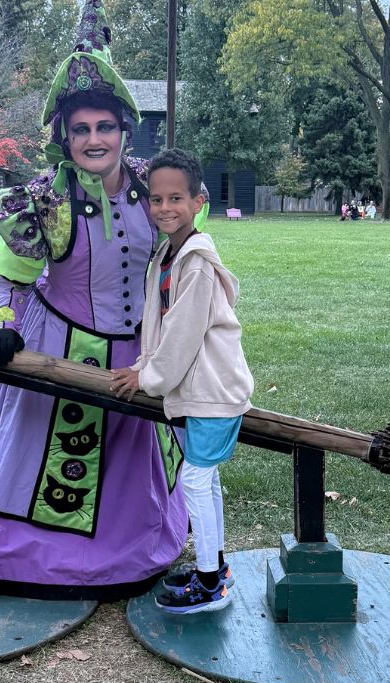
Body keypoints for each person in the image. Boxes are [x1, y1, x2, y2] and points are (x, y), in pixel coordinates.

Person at [0, 0, 189, 600]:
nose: (94, 139)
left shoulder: (152, 189)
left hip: (136, 357)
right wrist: (3, 323)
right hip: (57, 348)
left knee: (125, 473)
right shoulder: (44, 199)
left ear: (123, 131)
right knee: (55, 464)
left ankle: (131, 551)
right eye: (81, 129)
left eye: (105, 127)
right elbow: (10, 279)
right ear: (64, 136)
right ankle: (34, 558)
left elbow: (183, 262)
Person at [110, 148, 252, 614]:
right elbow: (158, 326)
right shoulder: (166, 257)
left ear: (198, 201)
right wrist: (144, 365)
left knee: (194, 480)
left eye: (176, 198)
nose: (164, 208)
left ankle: (211, 584)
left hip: (214, 393)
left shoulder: (195, 265)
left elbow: (184, 338)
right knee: (203, 481)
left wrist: (147, 378)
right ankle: (218, 566)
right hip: (193, 393)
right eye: (155, 199)